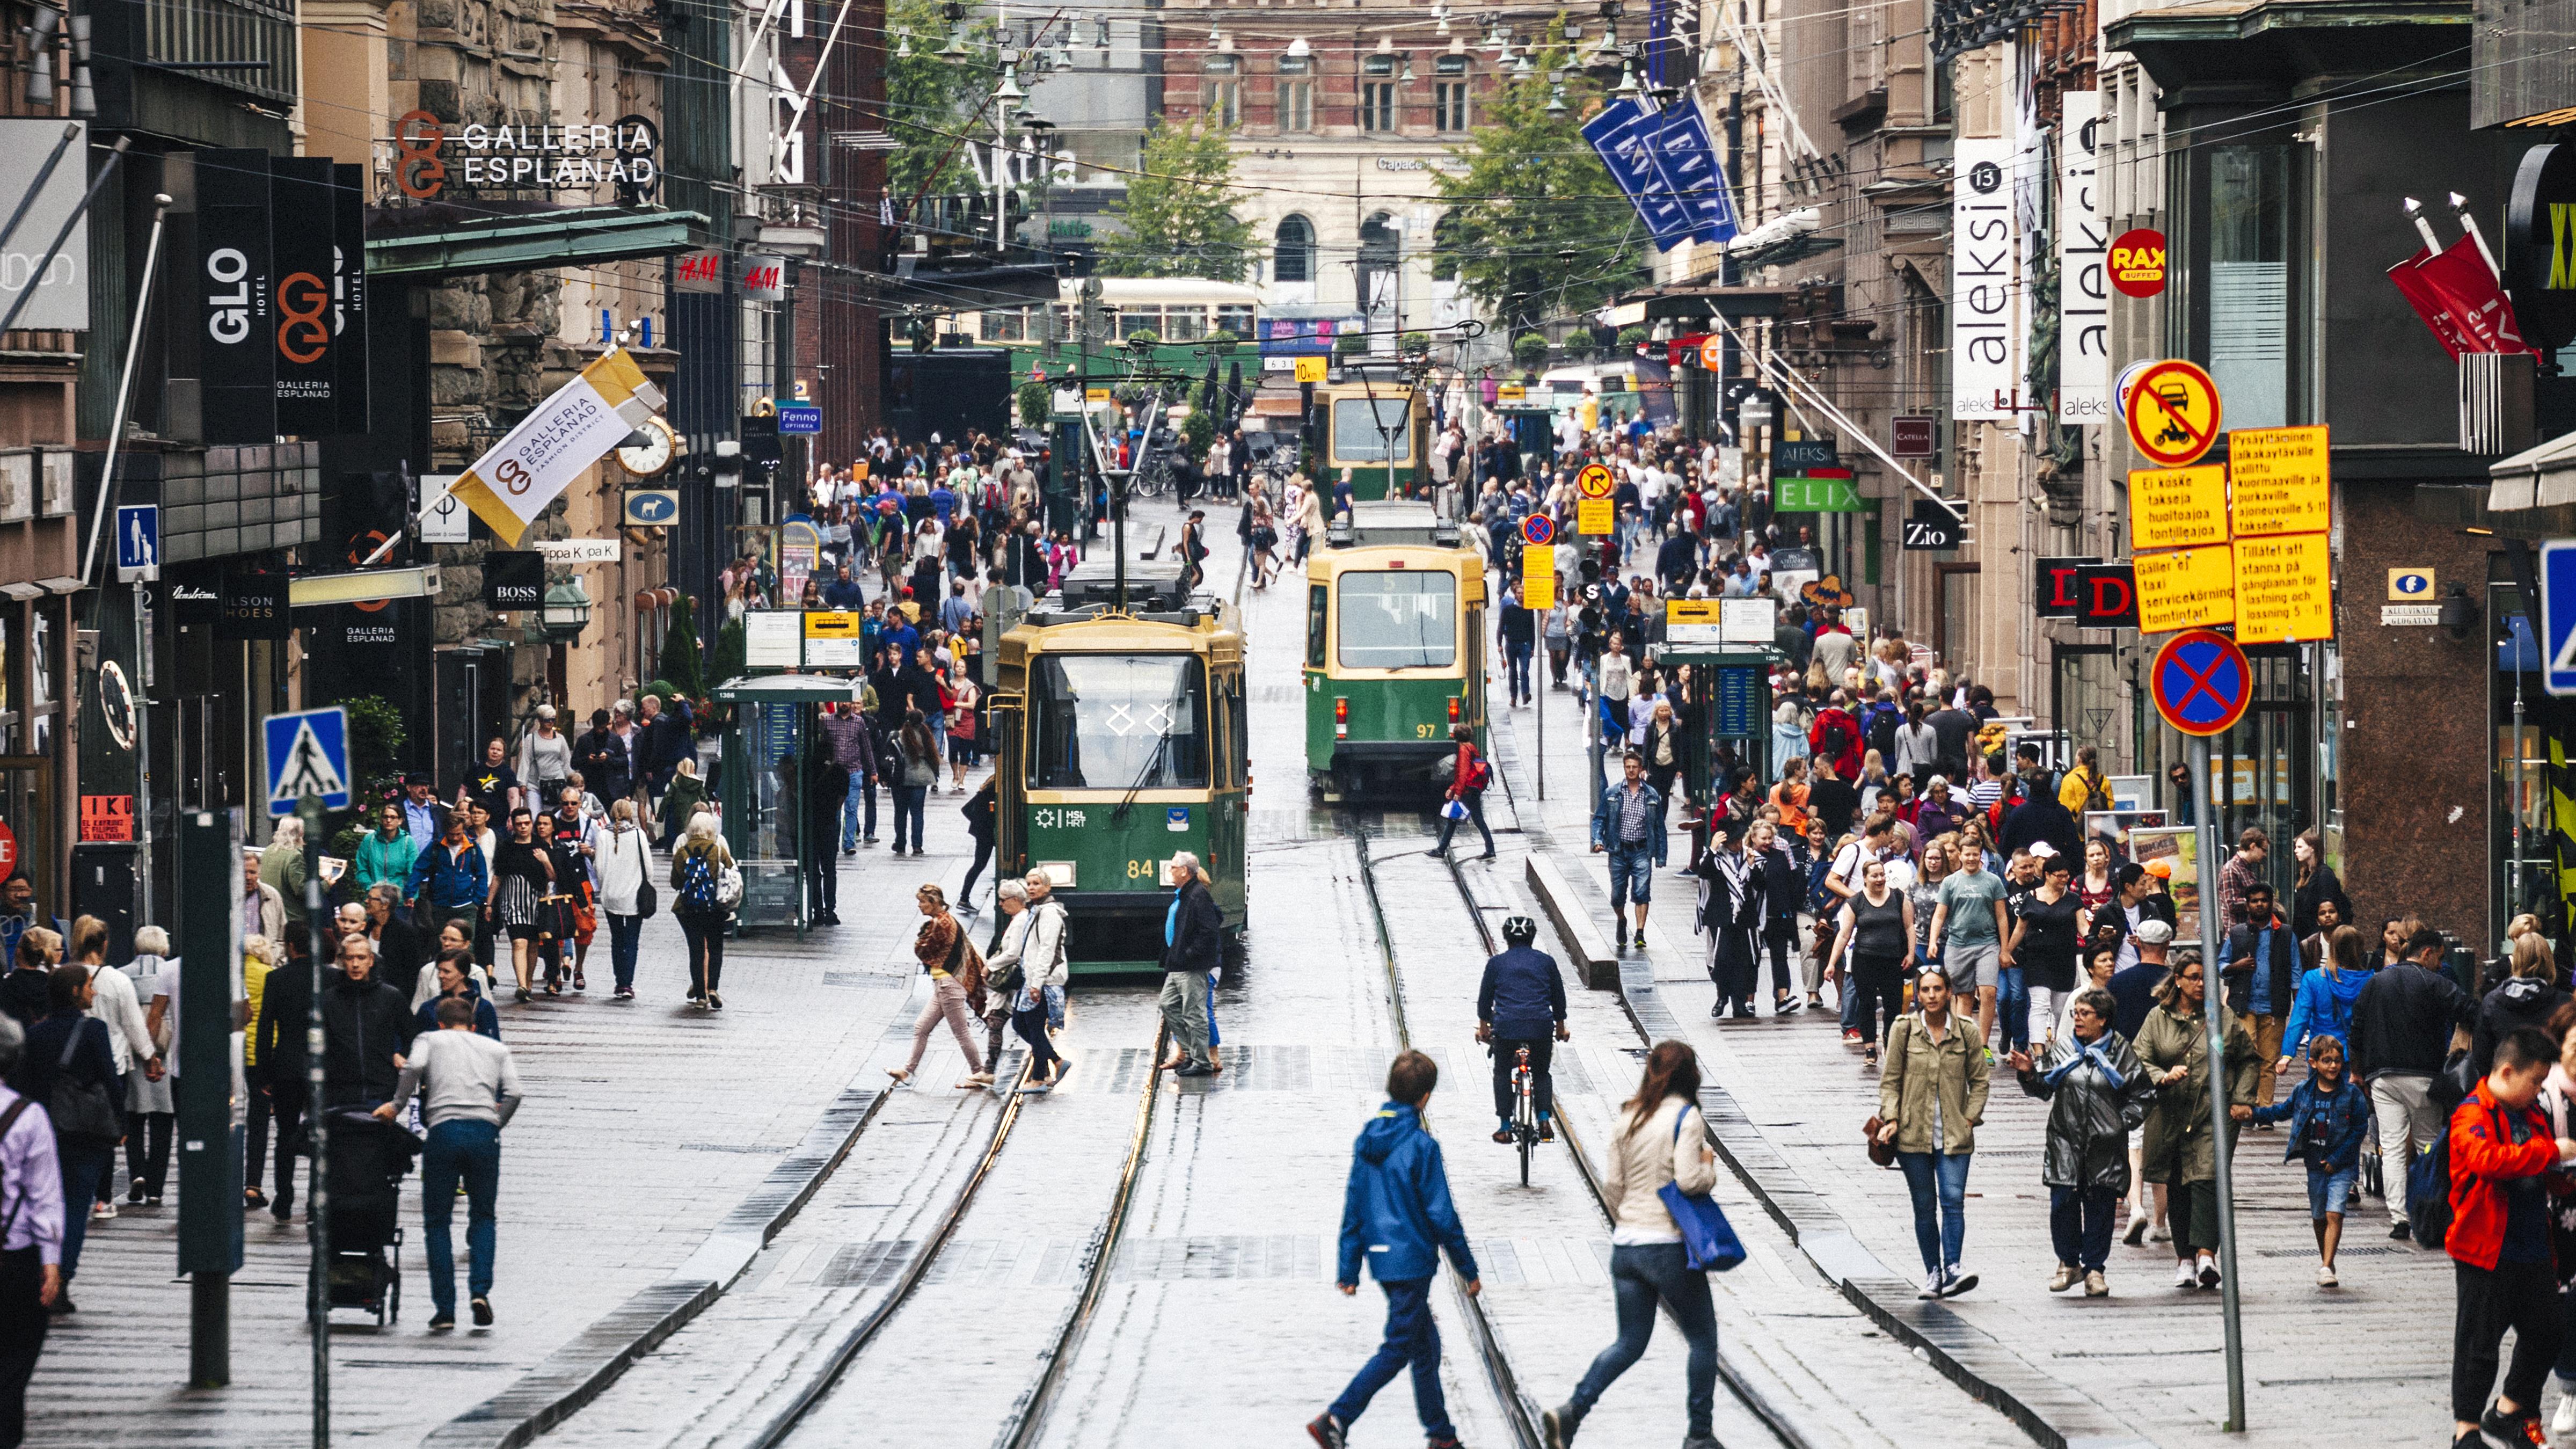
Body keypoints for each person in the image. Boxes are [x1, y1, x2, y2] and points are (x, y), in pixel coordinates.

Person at [1543, 1040, 1722, 1449]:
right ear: (1689, 1075)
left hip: (1626, 1246)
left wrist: (1627, 1221)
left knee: (1629, 1341)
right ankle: (1699, 1434)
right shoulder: (1686, 1116)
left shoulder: (1629, 1116)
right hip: (1666, 1245)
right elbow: (1688, 1180)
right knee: (1702, 1337)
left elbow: (1613, 1185)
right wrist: (1709, 1169)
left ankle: (1572, 1411)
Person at [1309, 1050, 1479, 1449]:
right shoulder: (1422, 1146)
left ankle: (1441, 1435)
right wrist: (1467, 1268)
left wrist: (1349, 1268)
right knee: (1397, 1347)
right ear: (1424, 1097)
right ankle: (1335, 1417)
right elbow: (1442, 1215)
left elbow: (1354, 1205)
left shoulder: (1368, 1138)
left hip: (1382, 1260)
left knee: (1425, 1346)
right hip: (1412, 1260)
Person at [2446, 1027, 2572, 1449]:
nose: (2539, 1089)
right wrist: (2552, 1152)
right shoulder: (2471, 1113)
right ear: (2506, 1071)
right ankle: (2466, 1429)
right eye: (2535, 1080)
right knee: (2478, 1343)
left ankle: (2506, 1410)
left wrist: (2561, 1178)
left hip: (2533, 1246)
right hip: (2484, 1248)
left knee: (2547, 1330)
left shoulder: (2531, 1112)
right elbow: (2487, 1160)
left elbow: (2536, 1165)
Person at [376, 995, 523, 1331]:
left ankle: (445, 1308)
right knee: (484, 1215)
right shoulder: (495, 1049)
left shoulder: (430, 1039)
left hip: (443, 1132)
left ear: (440, 1023)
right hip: (484, 1135)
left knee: (437, 1221)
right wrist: (494, 1124)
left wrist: (398, 1105)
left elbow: (412, 1067)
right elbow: (515, 1092)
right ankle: (480, 1291)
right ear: (472, 1026)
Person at [2008, 986, 2151, 1297]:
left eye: (2085, 1014)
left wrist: (2121, 1123)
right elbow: (2044, 1088)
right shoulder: (2063, 1049)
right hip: (2065, 1142)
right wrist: (2029, 1073)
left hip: (2105, 1146)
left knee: (2100, 1208)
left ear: (2103, 1019)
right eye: (2075, 1013)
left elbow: (2142, 1095)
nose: (2078, 1019)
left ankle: (2095, 1270)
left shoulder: (2121, 1051)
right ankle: (2068, 1263)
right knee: (2063, 1205)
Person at [2135, 952, 2262, 1290]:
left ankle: (2207, 1255)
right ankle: (2185, 1260)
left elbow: (2250, 1059)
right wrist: (2161, 1076)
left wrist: (2242, 1099)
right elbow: (2139, 1058)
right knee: (2178, 1185)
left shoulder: (2221, 1017)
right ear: (2177, 979)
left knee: (2207, 1179)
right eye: (2193, 977)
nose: (2201, 983)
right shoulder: (2157, 1018)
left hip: (2213, 1113)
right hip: (2171, 1114)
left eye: (2206, 978)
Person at [2349, 925, 2478, 1240]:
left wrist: (2357, 1071)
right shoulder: (2434, 982)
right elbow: (2471, 1011)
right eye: (2439, 958)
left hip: (2382, 1077)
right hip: (2424, 1076)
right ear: (2427, 953)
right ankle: (2435, 1212)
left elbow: (2356, 1029)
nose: (2440, 965)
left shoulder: (2375, 982)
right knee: (2430, 1146)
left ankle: (2399, 1217)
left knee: (2392, 1148)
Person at [8, 966, 115, 1313]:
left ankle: (43, 1271)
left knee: (43, 1200)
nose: (93, 993)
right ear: (74, 991)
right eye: (88, 986)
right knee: (77, 1203)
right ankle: (63, 1279)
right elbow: (110, 1079)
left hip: (46, 1130)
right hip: (86, 1133)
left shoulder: (35, 1035)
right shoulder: (94, 1030)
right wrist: (121, 1123)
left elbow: (23, 1082)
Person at [1876, 969, 1987, 1298]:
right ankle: (1933, 1273)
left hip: (1955, 1135)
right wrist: (1891, 1118)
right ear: (1918, 995)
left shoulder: (1966, 1031)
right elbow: (1890, 1080)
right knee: (1924, 1206)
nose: (1933, 995)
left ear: (1950, 991)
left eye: (1938, 989)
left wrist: (1969, 1119)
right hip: (1913, 1135)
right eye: (1926, 990)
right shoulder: (1904, 1030)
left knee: (1953, 1201)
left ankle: (1954, 1267)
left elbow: (1980, 1081)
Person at [2246, 1032, 2371, 1287]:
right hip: (2314, 1164)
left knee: (2335, 1212)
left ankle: (2327, 1266)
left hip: (2342, 1165)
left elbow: (2359, 1129)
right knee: (2318, 1216)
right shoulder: (2303, 1091)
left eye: (2337, 1061)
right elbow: (2282, 1111)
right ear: (2313, 1063)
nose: (2333, 1066)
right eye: (2327, 1061)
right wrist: (2254, 1113)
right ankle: (2327, 1256)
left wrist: (2337, 1159)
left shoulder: (2352, 1095)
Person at [1476, 916, 1570, 1142]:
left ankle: (1505, 1126)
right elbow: (1558, 998)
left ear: (1506, 938)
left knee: (1501, 1072)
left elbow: (1485, 1000)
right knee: (1541, 1072)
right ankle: (1545, 1120)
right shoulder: (1547, 962)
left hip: (1507, 1026)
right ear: (1532, 938)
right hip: (1541, 1026)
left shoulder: (1497, 963)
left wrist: (1484, 1028)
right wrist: (1560, 1027)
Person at [890, 884, 988, 1088]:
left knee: (960, 1032)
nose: (919, 906)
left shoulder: (939, 924)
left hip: (949, 984)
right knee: (921, 1027)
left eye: (922, 902)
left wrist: (921, 942)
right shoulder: (946, 920)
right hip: (944, 984)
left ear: (934, 903)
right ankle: (907, 1071)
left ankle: (979, 1072)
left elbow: (922, 949)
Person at [1827, 859, 1914, 1068]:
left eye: (1882, 875)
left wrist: (1910, 954)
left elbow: (1910, 927)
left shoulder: (1898, 897)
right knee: (1866, 1004)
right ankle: (1869, 1048)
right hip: (1865, 959)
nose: (1880, 879)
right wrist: (1832, 963)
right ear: (1865, 879)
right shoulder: (1855, 902)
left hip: (1893, 959)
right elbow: (1844, 935)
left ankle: (1889, 1040)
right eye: (1874, 876)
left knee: (1893, 1005)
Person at [1926, 836, 2009, 1049]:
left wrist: (2005, 949)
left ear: (1980, 856)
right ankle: (1964, 1042)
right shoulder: (1951, 882)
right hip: (1958, 945)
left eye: (1975, 854)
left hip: (1987, 944)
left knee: (1988, 992)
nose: (1971, 858)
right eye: (1967, 854)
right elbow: (1939, 915)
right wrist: (1933, 941)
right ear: (1960, 856)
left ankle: (1983, 1044)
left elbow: (2001, 916)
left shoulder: (1993, 881)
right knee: (1963, 995)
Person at [984, 879, 1068, 1091]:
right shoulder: (1035, 911)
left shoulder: (1045, 914)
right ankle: (1049, 1069)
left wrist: (1036, 984)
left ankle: (1042, 1075)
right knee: (1026, 1025)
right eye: (1029, 883)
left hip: (1040, 981)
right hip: (1031, 978)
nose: (1031, 888)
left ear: (1048, 888)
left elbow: (1045, 951)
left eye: (1037, 884)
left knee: (1030, 1026)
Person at [2223, 881, 2299, 1107]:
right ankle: (2245, 1104)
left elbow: (2296, 970)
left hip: (2274, 1006)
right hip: (2244, 1005)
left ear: (2271, 904)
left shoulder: (2285, 934)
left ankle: (2264, 1109)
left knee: (2269, 1060)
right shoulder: (2237, 933)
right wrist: (2237, 966)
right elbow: (2221, 964)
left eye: (2264, 900)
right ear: (2247, 906)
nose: (2259, 905)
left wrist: (2300, 1005)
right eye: (2254, 901)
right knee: (2247, 1057)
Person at [2002, 853, 2085, 1053]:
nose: (2064, 880)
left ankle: (2058, 1046)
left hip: (2064, 959)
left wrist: (2095, 938)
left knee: (2060, 1009)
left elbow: (2083, 926)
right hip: (2037, 959)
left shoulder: (2073, 900)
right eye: (2060, 876)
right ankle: (2039, 1050)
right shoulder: (2031, 898)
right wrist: (2007, 952)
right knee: (2040, 1004)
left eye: (2067, 876)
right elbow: (2020, 929)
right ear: (2048, 875)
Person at [2471, 926, 2570, 1080]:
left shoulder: (2492, 1002)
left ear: (2516, 960)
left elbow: (2481, 1056)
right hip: (2552, 1090)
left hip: (2508, 1085)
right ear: (2549, 961)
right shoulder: (2565, 1004)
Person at [2280, 924, 2374, 1073]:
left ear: (2332, 948)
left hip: (2321, 1054)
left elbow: (2300, 1018)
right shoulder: (2371, 981)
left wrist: (2287, 1054)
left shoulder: (2314, 979)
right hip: (2356, 1056)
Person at [1159, 853, 1221, 1078]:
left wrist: (1189, 954)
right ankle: (1189, 1052)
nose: (1171, 871)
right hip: (1177, 966)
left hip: (1191, 966)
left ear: (1185, 871)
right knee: (1167, 1004)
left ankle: (1202, 1061)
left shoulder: (1197, 895)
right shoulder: (1185, 894)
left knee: (1194, 1014)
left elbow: (1209, 931)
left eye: (1173, 867)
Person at [1593, 752, 1660, 950]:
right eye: (1628, 767)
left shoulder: (1651, 795)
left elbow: (1659, 827)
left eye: (1634, 767)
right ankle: (1622, 919)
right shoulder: (1612, 793)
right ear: (1624, 768)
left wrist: (1660, 854)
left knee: (1642, 891)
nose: (1631, 770)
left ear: (1641, 769)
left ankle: (1640, 932)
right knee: (1617, 895)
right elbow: (1599, 819)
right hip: (1618, 850)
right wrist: (1597, 839)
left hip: (1641, 849)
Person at [669, 814, 736, 1009]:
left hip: (689, 909)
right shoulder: (718, 851)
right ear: (710, 830)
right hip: (714, 909)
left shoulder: (683, 852)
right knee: (715, 949)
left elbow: (675, 883)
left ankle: (700, 996)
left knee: (696, 951)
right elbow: (731, 874)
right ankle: (713, 988)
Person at [594, 799, 651, 1001]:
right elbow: (649, 869)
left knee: (617, 939)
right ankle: (628, 983)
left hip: (611, 896)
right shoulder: (638, 835)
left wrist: (605, 887)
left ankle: (619, 982)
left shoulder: (603, 835)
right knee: (632, 940)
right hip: (634, 896)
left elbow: (599, 868)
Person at [1432, 725, 1496, 861]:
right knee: (1477, 819)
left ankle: (1441, 850)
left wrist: (1457, 791)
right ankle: (1490, 850)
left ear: (1456, 737)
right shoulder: (1472, 748)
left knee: (1453, 819)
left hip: (1467, 790)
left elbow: (1463, 773)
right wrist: (1453, 787)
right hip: (1474, 788)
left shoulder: (1463, 750)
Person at [415, 951, 501, 1040]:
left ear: (462, 974)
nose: (441, 976)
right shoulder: (428, 1008)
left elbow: (493, 1046)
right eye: (439, 970)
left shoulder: (483, 1008)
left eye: (446, 972)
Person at [891, 709, 939, 856]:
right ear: (922, 720)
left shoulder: (898, 735)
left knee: (900, 813)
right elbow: (933, 756)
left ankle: (900, 844)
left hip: (901, 778)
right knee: (917, 813)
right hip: (921, 778)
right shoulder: (926, 735)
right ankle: (917, 845)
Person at [959, 777, 998, 908]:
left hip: (984, 833)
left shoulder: (987, 789)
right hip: (987, 833)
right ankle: (964, 898)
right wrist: (984, 823)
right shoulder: (993, 791)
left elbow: (966, 809)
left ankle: (964, 898)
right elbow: (966, 809)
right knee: (980, 864)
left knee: (979, 865)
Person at [655, 755, 707, 850]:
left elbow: (667, 799)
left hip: (677, 814)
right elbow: (704, 798)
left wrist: (660, 816)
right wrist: (708, 813)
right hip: (693, 812)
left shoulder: (675, 782)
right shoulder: (697, 783)